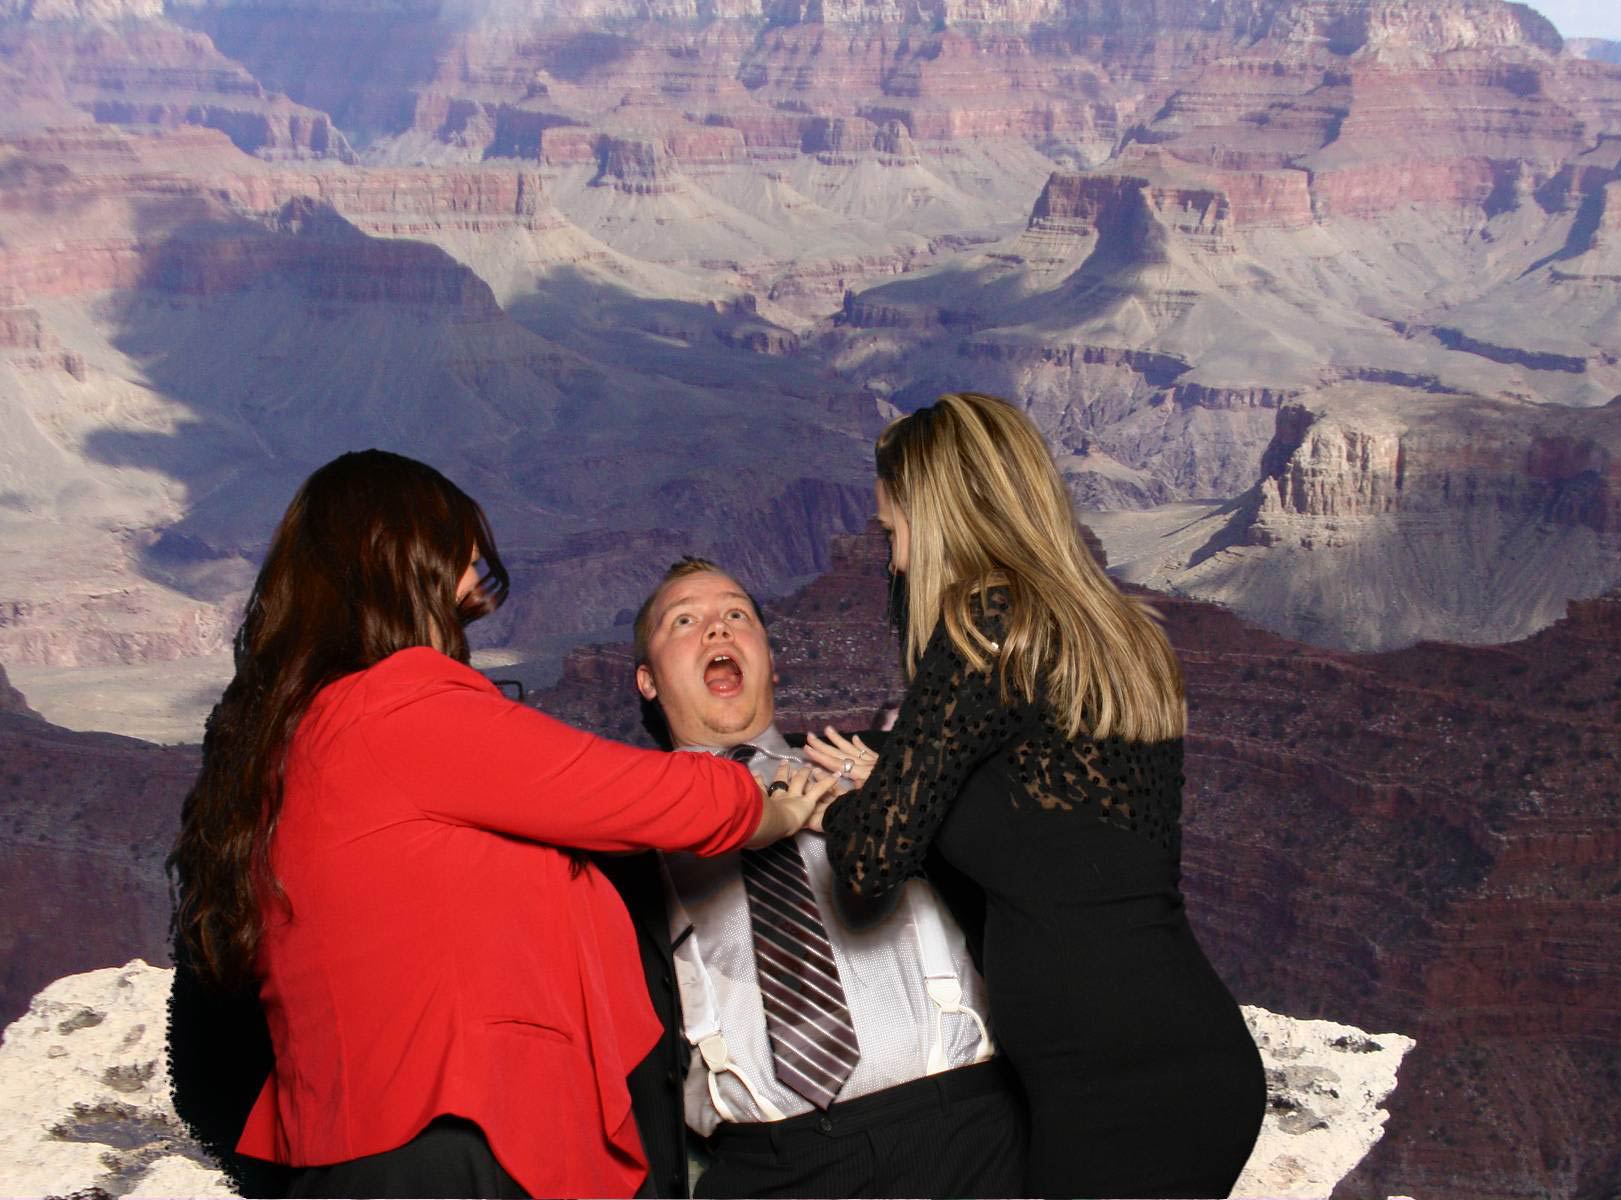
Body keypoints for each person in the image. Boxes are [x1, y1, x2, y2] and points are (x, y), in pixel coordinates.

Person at [168, 450, 831, 1199]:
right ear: (402, 555)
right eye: (457, 549)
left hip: (370, 1146)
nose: (472, 580)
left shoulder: (300, 732)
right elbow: (625, 791)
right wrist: (769, 805)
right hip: (449, 1146)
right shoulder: (397, 707)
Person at [818, 393, 1268, 1198]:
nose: (893, 563)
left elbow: (870, 860)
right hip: (1191, 1058)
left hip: (1113, 1093)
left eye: (894, 534)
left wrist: (841, 801)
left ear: (942, 515)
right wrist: (891, 764)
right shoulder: (1122, 636)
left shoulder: (985, 621)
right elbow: (1035, 804)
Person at [623, 557, 1029, 1198]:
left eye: (737, 615)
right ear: (648, 680)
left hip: (961, 1135)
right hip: (772, 1168)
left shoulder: (889, 764)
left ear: (771, 660)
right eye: (685, 621)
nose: (718, 632)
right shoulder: (630, 841)